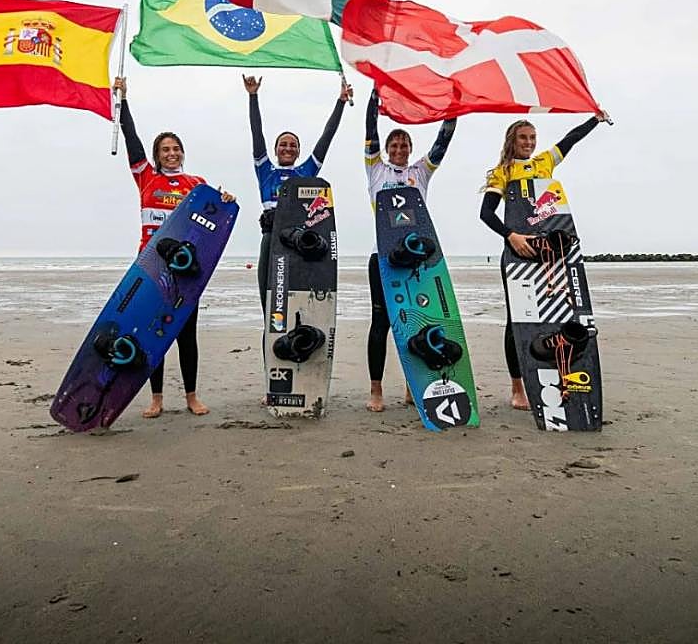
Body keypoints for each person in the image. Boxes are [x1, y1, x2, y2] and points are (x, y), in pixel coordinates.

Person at [113, 76, 236, 419]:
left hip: (186, 272)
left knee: (186, 334)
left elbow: (216, 218)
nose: (171, 153)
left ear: (182, 152)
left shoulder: (196, 185)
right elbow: (132, 141)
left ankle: (192, 396)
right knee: (153, 334)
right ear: (156, 156)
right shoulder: (146, 178)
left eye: (175, 148)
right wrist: (123, 102)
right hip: (151, 267)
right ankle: (156, 399)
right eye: (165, 150)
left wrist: (226, 199)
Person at [478, 112, 609, 410]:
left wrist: (595, 119)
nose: (529, 143)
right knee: (517, 322)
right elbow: (486, 214)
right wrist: (511, 236)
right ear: (512, 140)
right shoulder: (503, 172)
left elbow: (570, 140)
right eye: (523, 138)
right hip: (518, 254)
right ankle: (517, 388)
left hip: (550, 253)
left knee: (556, 316)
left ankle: (559, 378)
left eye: (532, 138)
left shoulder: (544, 163)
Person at [364, 89, 457, 412]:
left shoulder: (421, 172)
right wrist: (374, 97)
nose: (399, 149)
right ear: (388, 150)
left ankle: (411, 385)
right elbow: (370, 133)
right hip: (383, 258)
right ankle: (376, 390)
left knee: (416, 322)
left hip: (417, 259)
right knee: (382, 324)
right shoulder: (376, 169)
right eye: (395, 145)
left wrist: (453, 109)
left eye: (404, 145)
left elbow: (442, 144)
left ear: (410, 149)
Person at [244, 73, 352, 316]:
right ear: (275, 149)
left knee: (295, 309)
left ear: (299, 150)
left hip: (298, 242)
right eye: (283, 144)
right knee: (270, 311)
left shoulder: (306, 172)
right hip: (271, 239)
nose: (288, 148)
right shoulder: (265, 170)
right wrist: (253, 97)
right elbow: (256, 133)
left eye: (293, 145)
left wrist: (341, 102)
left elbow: (327, 137)